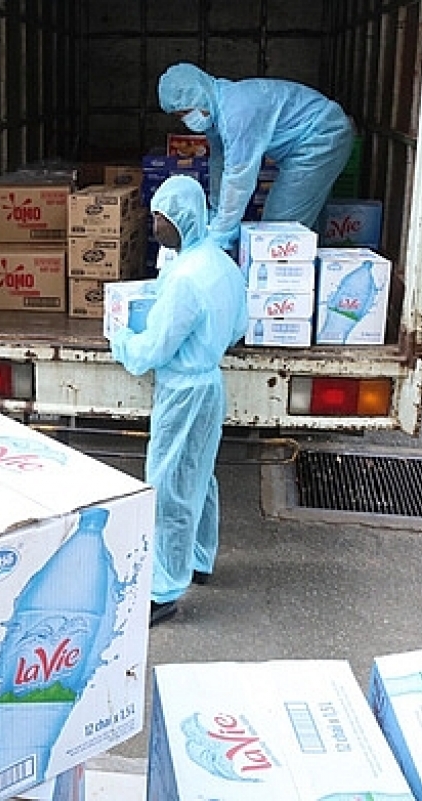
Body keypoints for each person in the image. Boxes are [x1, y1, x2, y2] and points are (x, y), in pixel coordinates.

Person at [109, 176, 248, 625]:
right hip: (209, 383)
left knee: (169, 486)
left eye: (159, 218)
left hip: (183, 390)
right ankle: (200, 559)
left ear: (180, 219)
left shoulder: (186, 279)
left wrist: (121, 339)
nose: (154, 228)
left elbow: (152, 350)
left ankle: (164, 589)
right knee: (199, 474)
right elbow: (238, 325)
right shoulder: (218, 262)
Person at [158, 62, 355, 249]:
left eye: (186, 112)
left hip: (322, 135)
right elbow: (219, 163)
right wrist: (216, 213)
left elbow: (238, 178)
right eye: (179, 116)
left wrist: (220, 235)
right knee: (300, 228)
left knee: (278, 229)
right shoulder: (216, 114)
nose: (186, 120)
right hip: (309, 139)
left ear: (200, 95)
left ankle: (282, 274)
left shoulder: (236, 113)